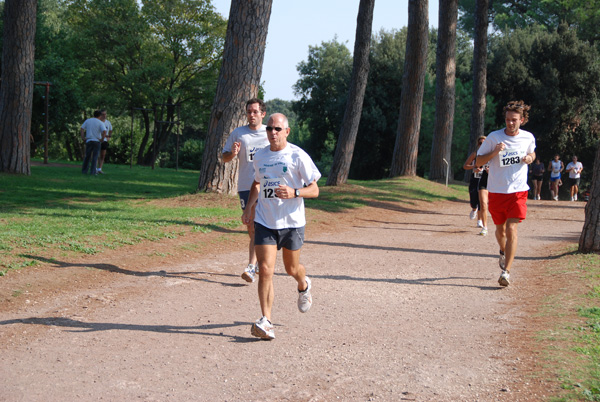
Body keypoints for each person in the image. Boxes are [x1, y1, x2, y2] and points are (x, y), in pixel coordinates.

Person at [241, 113, 321, 340]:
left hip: (292, 223)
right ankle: (266, 321)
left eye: (277, 129)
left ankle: (304, 285)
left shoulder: (298, 155)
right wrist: (249, 208)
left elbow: (315, 190)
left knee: (291, 269)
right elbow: (257, 183)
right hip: (265, 220)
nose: (272, 133)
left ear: (286, 131)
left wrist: (294, 192)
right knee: (265, 269)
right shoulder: (260, 156)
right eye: (269, 129)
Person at [476, 100, 536, 287]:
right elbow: (478, 161)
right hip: (497, 191)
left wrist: (529, 158)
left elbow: (532, 154)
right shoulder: (494, 137)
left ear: (522, 120)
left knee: (512, 229)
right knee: (500, 230)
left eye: (514, 120)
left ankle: (506, 272)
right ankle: (503, 250)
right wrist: (494, 152)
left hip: (518, 191)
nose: (510, 123)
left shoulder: (528, 137)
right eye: (508, 119)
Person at [222, 98, 269, 283]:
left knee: (258, 225)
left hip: (266, 186)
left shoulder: (269, 133)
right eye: (249, 111)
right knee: (251, 226)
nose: (252, 115)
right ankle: (257, 260)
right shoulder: (238, 133)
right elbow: (224, 158)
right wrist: (232, 153)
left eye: (255, 112)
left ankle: (251, 266)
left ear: (262, 114)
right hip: (245, 186)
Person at [463, 136, 489, 236]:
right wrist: (474, 167)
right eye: (480, 143)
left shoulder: (490, 155)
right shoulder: (475, 154)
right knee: (474, 201)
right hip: (475, 179)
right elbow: (465, 166)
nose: (482, 145)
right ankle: (474, 209)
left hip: (485, 180)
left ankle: (480, 221)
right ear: (478, 145)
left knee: (482, 202)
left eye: (484, 143)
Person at [80, 110, 107, 175]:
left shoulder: (88, 121)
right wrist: (102, 139)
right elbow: (104, 131)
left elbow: (82, 128)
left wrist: (83, 137)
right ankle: (93, 171)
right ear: (100, 116)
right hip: (96, 141)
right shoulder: (100, 123)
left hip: (89, 140)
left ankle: (84, 170)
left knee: (87, 156)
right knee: (95, 157)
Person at [97, 109, 113, 174]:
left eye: (105, 114)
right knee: (96, 155)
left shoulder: (108, 122)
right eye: (103, 114)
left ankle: (100, 168)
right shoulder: (97, 122)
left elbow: (111, 130)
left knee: (102, 155)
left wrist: (109, 136)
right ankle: (95, 168)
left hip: (105, 140)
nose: (104, 116)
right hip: (98, 140)